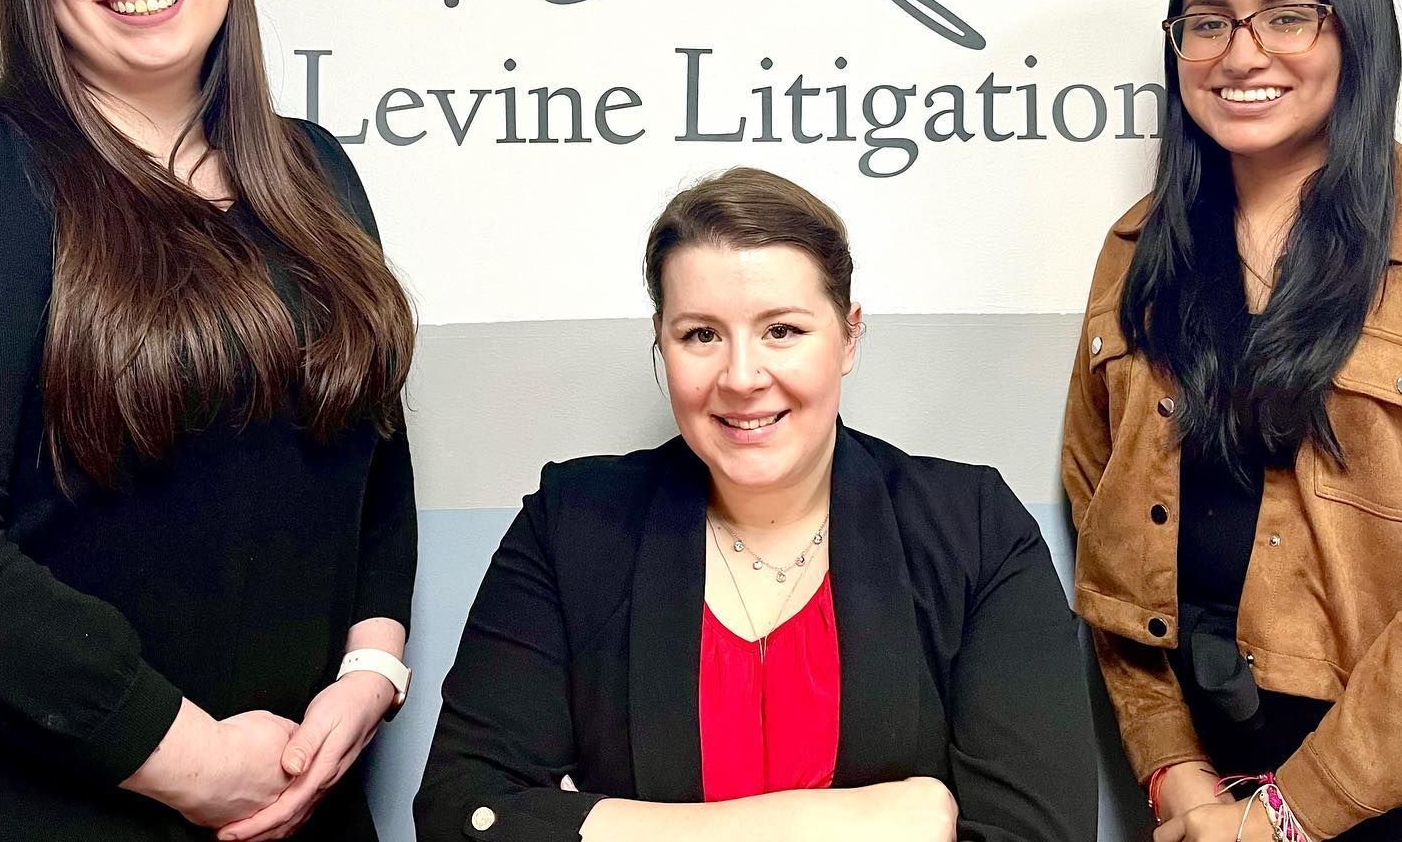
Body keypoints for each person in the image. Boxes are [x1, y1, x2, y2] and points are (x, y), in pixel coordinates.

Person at [0, 0, 417, 840]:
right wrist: (189, 761)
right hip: (66, 807)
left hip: (304, 802)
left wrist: (372, 671)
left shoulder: (312, 170)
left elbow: (374, 460)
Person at [416, 166, 1097, 842]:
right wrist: (861, 822)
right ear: (661, 340)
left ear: (849, 336)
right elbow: (459, 813)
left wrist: (595, 822)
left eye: (782, 331)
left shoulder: (973, 531)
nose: (741, 377)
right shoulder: (570, 526)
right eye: (701, 335)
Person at [1062, 0, 1402, 841]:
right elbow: (1101, 524)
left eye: (1287, 17)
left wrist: (1286, 820)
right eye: (1208, 23)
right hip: (1209, 798)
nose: (1241, 54)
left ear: (1357, 32)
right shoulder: (1137, 254)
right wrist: (1174, 772)